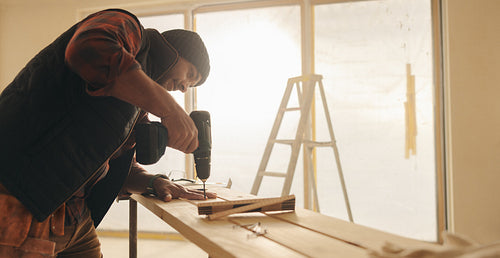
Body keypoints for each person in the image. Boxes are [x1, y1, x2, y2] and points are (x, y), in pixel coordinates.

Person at [0, 8, 216, 257]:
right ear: (173, 50)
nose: (183, 88)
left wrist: (155, 182)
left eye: (191, 85)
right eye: (190, 75)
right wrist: (169, 109)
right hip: (23, 200)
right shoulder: (129, 30)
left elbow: (114, 167)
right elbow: (88, 48)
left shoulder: (134, 106)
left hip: (76, 218)